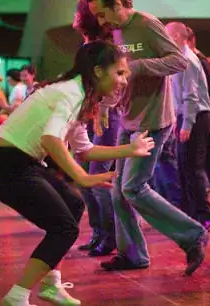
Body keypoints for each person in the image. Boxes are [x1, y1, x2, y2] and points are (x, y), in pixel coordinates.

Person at [0, 41, 155, 306]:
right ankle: (16, 297)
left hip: (21, 162)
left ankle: (51, 285)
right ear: (98, 71)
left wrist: (130, 150)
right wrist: (83, 178)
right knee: (64, 228)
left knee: (73, 205)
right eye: (119, 73)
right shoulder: (71, 93)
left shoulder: (81, 95)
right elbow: (52, 139)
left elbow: (84, 150)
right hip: (5, 165)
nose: (124, 80)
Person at [88, 0, 208, 275]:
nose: (101, 21)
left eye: (102, 13)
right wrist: (105, 106)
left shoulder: (146, 24)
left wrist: (139, 66)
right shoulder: (117, 31)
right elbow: (120, 75)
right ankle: (133, 255)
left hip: (153, 120)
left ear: (117, 4)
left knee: (132, 188)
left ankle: (193, 235)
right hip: (128, 120)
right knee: (118, 193)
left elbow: (178, 61)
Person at [72, 0, 121, 257]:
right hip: (88, 114)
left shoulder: (106, 45)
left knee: (97, 176)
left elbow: (115, 83)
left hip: (106, 116)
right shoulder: (88, 44)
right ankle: (98, 233)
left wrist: (103, 109)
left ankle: (109, 236)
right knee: (82, 176)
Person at [166, 22, 210, 228]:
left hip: (195, 118)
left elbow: (191, 96)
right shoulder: (179, 59)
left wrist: (186, 124)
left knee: (193, 168)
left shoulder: (188, 60)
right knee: (185, 168)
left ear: (176, 36)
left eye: (166, 35)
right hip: (187, 117)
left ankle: (203, 214)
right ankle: (190, 213)